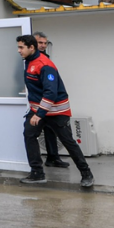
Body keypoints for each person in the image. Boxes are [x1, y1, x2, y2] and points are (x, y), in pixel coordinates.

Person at [16, 34, 94, 187]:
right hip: (38, 109)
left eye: (21, 47)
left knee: (68, 142)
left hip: (57, 111)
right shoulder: (29, 62)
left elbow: (50, 92)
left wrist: (39, 114)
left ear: (31, 47)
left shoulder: (45, 65)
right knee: (29, 134)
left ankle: (86, 174)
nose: (18, 50)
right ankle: (37, 173)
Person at [33, 31, 69, 169]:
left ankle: (53, 157)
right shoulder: (30, 60)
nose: (43, 45)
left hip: (47, 101)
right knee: (31, 133)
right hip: (36, 102)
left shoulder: (45, 58)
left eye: (45, 43)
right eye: (40, 43)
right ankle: (35, 166)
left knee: (50, 130)